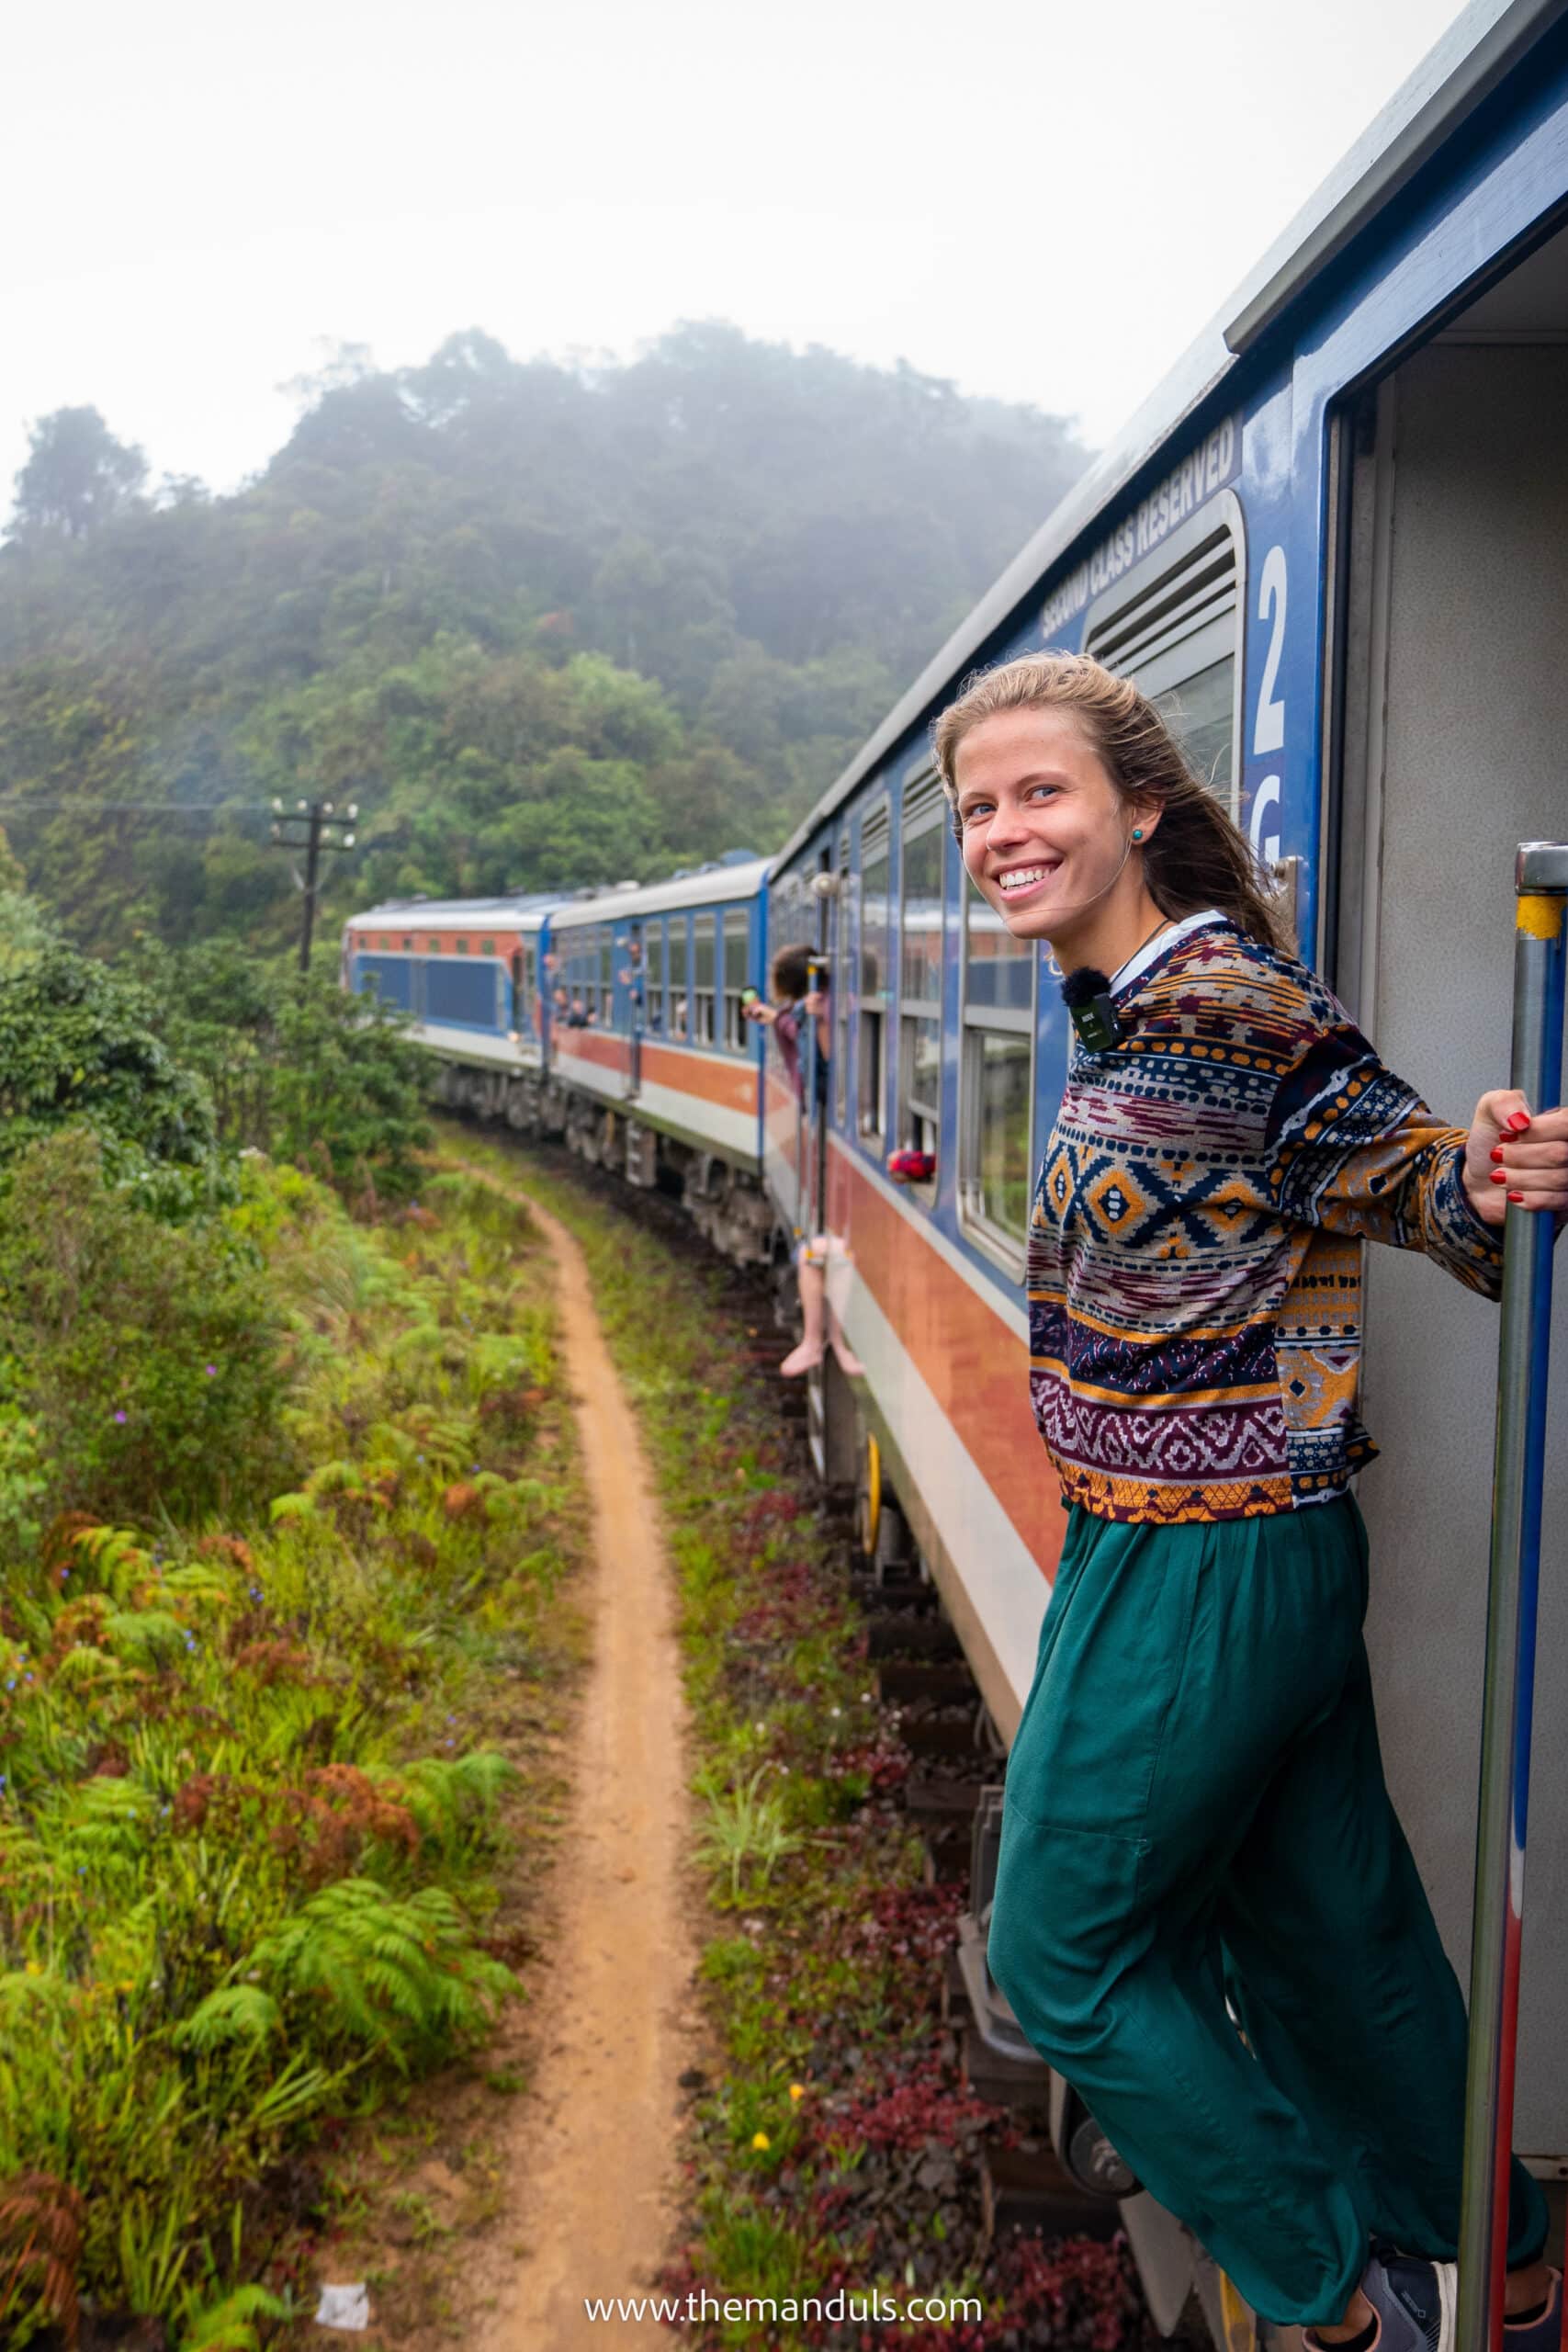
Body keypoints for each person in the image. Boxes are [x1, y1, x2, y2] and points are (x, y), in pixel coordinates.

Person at [933, 651, 1568, 2352]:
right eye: (978, 807)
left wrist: (1495, 1166)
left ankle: (1327, 2298)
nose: (1004, 830)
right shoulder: (1134, 1006)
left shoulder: (1222, 1006)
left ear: (1141, 804)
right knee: (1327, 1930)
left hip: (1199, 1564)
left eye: (1039, 793)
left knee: (1059, 1952)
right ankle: (1497, 2262)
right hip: (1216, 1555)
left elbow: (1413, 1179)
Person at [747, 946, 863, 1379]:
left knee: (825, 1248)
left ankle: (822, 1341)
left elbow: (827, 1062)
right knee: (820, 1247)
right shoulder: (798, 1017)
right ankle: (820, 1341)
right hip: (823, 1134)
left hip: (830, 1136)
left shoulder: (803, 1016)